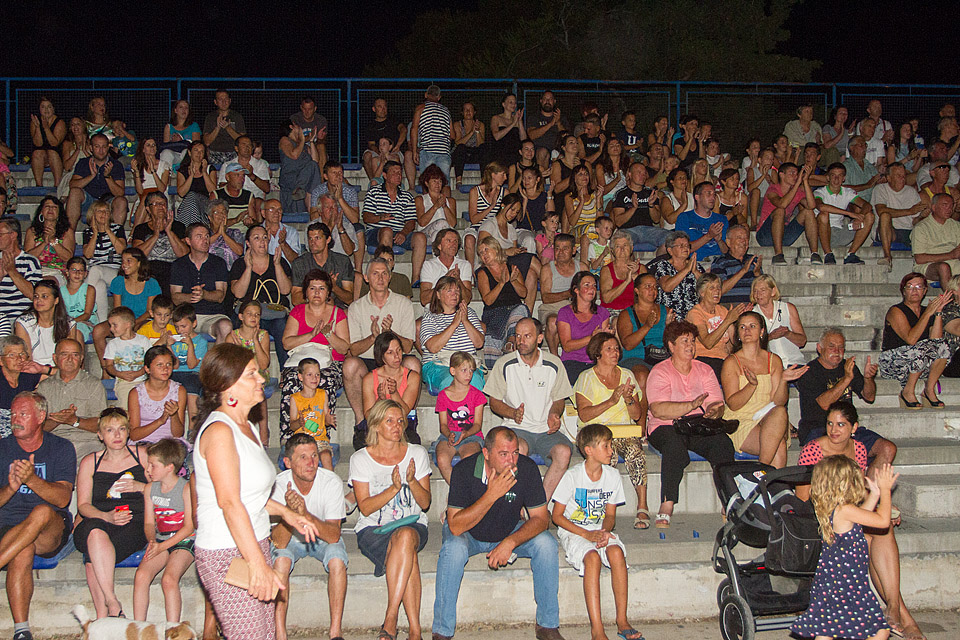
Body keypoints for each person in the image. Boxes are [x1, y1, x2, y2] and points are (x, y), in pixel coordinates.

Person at [193, 343, 318, 640]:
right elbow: (230, 502)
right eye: (251, 374)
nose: (262, 378)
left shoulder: (246, 426)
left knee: (265, 634)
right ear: (228, 386)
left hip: (253, 542)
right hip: (227, 550)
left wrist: (288, 514)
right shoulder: (220, 432)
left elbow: (252, 497)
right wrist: (258, 566)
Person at [796, 402, 921, 640]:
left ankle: (894, 607)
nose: (834, 430)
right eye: (830, 423)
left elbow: (858, 490)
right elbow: (803, 496)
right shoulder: (814, 450)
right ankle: (901, 614)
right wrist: (881, 496)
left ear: (854, 427)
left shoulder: (859, 449)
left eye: (841, 424)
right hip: (823, 517)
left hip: (847, 515)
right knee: (878, 529)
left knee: (882, 531)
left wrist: (879, 500)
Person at [433, 426, 564, 640]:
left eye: (514, 453)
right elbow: (456, 526)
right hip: (470, 532)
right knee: (452, 549)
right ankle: (442, 631)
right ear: (486, 453)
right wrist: (491, 495)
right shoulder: (464, 470)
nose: (511, 461)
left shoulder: (526, 468)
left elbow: (541, 519)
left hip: (507, 530)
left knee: (546, 544)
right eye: (503, 454)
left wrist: (510, 542)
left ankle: (547, 626)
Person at [349, 399, 431, 640]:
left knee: (405, 536)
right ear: (375, 425)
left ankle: (391, 617)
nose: (397, 426)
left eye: (400, 421)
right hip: (373, 529)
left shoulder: (416, 453)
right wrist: (393, 489)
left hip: (412, 524)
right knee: (408, 556)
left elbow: (425, 503)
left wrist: (412, 481)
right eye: (390, 421)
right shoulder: (360, 459)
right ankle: (415, 632)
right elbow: (364, 508)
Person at [790, 454, 896, 640]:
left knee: (829, 629)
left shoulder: (836, 509)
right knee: (879, 630)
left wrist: (875, 494)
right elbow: (882, 521)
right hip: (846, 585)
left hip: (838, 582)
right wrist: (886, 490)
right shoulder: (845, 510)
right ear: (847, 483)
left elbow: (862, 515)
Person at [552, 424, 642, 640]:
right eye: (606, 446)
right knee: (591, 558)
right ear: (589, 450)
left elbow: (610, 515)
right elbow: (557, 516)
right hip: (574, 531)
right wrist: (586, 535)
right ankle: (597, 629)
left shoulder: (612, 475)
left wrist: (604, 531)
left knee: (616, 553)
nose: (611, 451)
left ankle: (622, 620)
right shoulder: (572, 476)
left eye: (611, 445)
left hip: (598, 529)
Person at [645, 321, 735, 528]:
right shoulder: (660, 371)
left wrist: (715, 411)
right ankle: (667, 504)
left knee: (723, 444)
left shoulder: (704, 370)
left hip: (696, 425)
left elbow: (716, 401)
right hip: (664, 425)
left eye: (693, 341)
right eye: (684, 341)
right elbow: (659, 409)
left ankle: (728, 499)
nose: (690, 345)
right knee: (674, 447)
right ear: (671, 346)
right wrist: (692, 405)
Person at [0, 391, 75, 640]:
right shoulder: (2, 449)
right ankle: (22, 631)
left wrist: (31, 479)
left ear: (40, 416)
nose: (15, 419)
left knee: (41, 511)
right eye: (13, 414)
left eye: (23, 413)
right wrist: (11, 488)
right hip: (10, 528)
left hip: (50, 529)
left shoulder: (61, 447)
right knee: (23, 547)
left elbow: (63, 499)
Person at [73, 407, 149, 618]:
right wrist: (106, 516)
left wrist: (140, 486)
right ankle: (112, 602)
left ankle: (102, 618)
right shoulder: (91, 462)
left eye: (121, 429)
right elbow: (83, 506)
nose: (117, 435)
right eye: (110, 430)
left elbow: (164, 489)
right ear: (100, 435)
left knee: (92, 557)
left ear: (128, 431)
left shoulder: (142, 456)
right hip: (98, 520)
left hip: (134, 523)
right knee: (93, 531)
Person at [485, 318, 573, 501]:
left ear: (540, 338)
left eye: (527, 336)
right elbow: (494, 402)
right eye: (517, 336)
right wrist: (512, 413)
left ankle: (540, 502)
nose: (521, 341)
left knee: (564, 452)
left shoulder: (554, 364)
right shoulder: (505, 364)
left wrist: (554, 414)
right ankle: (515, 504)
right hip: (517, 428)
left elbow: (559, 399)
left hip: (546, 429)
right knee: (517, 450)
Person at [270, 433, 347, 640]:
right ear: (288, 463)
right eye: (303, 457)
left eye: (314, 455)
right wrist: (289, 513)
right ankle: (280, 633)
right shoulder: (278, 484)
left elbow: (333, 535)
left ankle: (335, 633)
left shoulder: (330, 481)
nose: (311, 462)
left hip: (322, 537)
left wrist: (305, 514)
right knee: (281, 561)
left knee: (337, 559)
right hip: (291, 540)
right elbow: (278, 541)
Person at [573, 333, 650, 530]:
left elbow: (635, 414)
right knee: (608, 456)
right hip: (596, 433)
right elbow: (584, 415)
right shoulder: (586, 377)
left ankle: (642, 505)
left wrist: (628, 399)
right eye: (609, 349)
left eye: (616, 349)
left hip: (623, 431)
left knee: (636, 453)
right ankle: (605, 511)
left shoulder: (627, 375)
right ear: (597, 353)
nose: (615, 352)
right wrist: (611, 401)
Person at [795, 328, 899, 471]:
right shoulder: (809, 372)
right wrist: (847, 378)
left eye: (841, 347)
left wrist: (868, 379)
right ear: (820, 348)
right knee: (837, 459)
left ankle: (868, 491)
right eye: (831, 346)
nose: (837, 351)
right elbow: (824, 404)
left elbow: (869, 396)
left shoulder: (848, 367)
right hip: (819, 429)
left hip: (847, 428)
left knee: (888, 448)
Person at [721, 312, 806, 467]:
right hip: (741, 419)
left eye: (752, 326)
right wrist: (751, 385)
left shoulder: (774, 360)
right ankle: (766, 481)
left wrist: (783, 381)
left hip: (769, 419)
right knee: (778, 444)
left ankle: (761, 477)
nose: (747, 330)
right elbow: (733, 404)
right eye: (742, 327)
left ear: (761, 332)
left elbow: (778, 401)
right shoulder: (731, 362)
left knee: (780, 411)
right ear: (738, 334)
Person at [280, 270, 350, 447]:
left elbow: (344, 348)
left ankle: (320, 435)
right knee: (291, 382)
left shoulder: (337, 313)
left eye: (321, 288)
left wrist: (328, 335)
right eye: (312, 288)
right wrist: (311, 335)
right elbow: (287, 343)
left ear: (328, 292)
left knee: (323, 382)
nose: (317, 292)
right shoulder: (298, 311)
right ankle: (290, 436)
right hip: (301, 363)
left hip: (328, 364)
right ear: (306, 292)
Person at [132, 439, 195, 624]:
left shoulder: (185, 488)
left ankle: (173, 629)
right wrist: (152, 542)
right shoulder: (151, 489)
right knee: (142, 575)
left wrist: (162, 547)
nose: (148, 470)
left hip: (184, 540)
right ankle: (138, 627)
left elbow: (189, 527)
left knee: (169, 579)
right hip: (161, 539)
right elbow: (149, 523)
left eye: (153, 465)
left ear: (169, 467)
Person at [879, 272, 952, 409]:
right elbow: (911, 339)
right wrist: (928, 313)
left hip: (919, 363)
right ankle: (907, 391)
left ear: (924, 291)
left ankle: (929, 391)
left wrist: (937, 313)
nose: (914, 290)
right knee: (919, 348)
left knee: (943, 345)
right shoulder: (896, 311)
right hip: (894, 362)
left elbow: (936, 341)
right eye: (910, 286)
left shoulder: (927, 311)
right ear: (904, 291)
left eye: (919, 286)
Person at [230, 224, 293, 366]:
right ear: (248, 243)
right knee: (235, 324)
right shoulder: (240, 264)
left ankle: (286, 371)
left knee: (282, 326)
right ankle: (237, 370)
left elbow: (285, 290)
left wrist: (277, 266)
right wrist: (248, 268)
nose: (262, 241)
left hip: (274, 313)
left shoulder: (279, 261)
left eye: (265, 238)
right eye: (256, 238)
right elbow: (238, 293)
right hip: (248, 314)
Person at [38, 338, 108, 460]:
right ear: (55, 358)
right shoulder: (44, 387)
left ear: (81, 359)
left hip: (86, 442)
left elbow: (101, 425)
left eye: (75, 355)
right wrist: (58, 420)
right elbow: (37, 428)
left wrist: (74, 420)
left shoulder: (94, 384)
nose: (70, 359)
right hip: (54, 442)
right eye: (64, 354)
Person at [362, 161, 426, 284]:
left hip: (398, 233)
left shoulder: (407, 196)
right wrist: (380, 218)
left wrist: (404, 232)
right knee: (387, 231)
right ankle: (384, 275)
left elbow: (411, 222)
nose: (398, 175)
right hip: (376, 233)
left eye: (399, 173)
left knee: (420, 237)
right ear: (385, 175)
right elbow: (366, 217)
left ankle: (416, 279)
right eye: (394, 172)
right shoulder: (373, 192)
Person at [419, 276, 485, 394]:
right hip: (439, 364)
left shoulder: (469, 313)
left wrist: (465, 321)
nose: (454, 294)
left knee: (474, 380)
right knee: (452, 380)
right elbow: (433, 347)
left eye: (457, 291)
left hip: (467, 364)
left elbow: (479, 343)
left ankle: (468, 412)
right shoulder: (430, 316)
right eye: (449, 291)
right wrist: (454, 324)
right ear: (438, 295)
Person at [169, 223, 233, 344]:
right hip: (184, 316)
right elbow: (176, 298)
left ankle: (216, 363)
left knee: (225, 326)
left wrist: (204, 294)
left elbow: (220, 296)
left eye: (207, 236)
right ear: (188, 240)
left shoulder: (218, 263)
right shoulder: (179, 265)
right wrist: (192, 296)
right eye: (199, 236)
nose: (205, 240)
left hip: (212, 316)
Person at [475, 236, 530, 369]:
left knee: (522, 309)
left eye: (486, 250)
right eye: (481, 252)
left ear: (496, 249)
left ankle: (511, 341)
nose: (484, 254)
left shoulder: (512, 268)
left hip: (514, 310)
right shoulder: (482, 273)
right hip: (495, 313)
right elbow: (488, 301)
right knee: (491, 336)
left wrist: (513, 281)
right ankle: (498, 372)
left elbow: (523, 293)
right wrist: (501, 283)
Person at [479, 192, 541, 310]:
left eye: (517, 212)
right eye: (512, 209)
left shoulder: (511, 228)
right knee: (530, 258)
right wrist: (507, 252)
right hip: (496, 264)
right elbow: (482, 250)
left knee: (532, 275)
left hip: (509, 263)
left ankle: (528, 313)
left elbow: (513, 251)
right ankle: (549, 282)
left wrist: (517, 251)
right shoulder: (489, 225)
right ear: (503, 206)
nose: (513, 214)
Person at [433, 351, 486, 484]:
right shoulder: (444, 395)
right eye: (464, 370)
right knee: (442, 459)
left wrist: (466, 433)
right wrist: (448, 434)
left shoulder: (477, 395)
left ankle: (464, 494)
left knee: (470, 458)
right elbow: (443, 424)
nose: (468, 374)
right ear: (452, 371)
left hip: (471, 435)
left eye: (471, 370)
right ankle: (458, 493)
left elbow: (477, 424)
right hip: (449, 435)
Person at [361, 331, 423, 442]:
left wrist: (394, 393)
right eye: (390, 352)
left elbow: (405, 412)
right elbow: (368, 416)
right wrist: (381, 399)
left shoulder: (412, 376)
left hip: (403, 425)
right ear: (381, 356)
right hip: (378, 425)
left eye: (399, 350)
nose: (396, 356)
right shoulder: (369, 379)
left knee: (412, 442)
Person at [686, 273, 749, 381]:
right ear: (702, 293)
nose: (717, 291)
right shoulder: (695, 313)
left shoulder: (723, 311)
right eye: (712, 288)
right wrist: (728, 320)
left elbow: (733, 342)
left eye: (719, 288)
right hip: (703, 359)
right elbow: (708, 343)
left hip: (724, 359)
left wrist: (741, 321)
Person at [756, 163, 818, 265]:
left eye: (797, 174)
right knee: (780, 210)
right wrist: (798, 184)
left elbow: (811, 206)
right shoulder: (773, 189)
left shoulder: (797, 191)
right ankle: (778, 255)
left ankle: (815, 253)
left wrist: (805, 181)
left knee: (808, 212)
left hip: (784, 235)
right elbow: (782, 204)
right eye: (792, 173)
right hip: (765, 235)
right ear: (781, 175)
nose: (795, 176)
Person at [814, 162, 874, 265]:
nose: (836, 179)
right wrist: (850, 214)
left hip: (841, 231)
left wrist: (859, 217)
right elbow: (821, 207)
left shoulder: (847, 192)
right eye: (833, 175)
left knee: (870, 216)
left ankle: (851, 254)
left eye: (840, 175)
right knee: (823, 215)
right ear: (828, 178)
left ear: (844, 178)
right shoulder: (819, 192)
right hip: (822, 234)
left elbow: (867, 205)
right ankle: (828, 254)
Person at [131, 191, 189, 295]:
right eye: (156, 204)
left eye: (163, 204)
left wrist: (169, 232)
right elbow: (137, 255)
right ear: (148, 209)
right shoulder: (141, 229)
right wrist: (155, 236)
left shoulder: (178, 226)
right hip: (149, 268)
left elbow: (184, 254)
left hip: (172, 268)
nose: (160, 206)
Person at [558, 271, 611, 384]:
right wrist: (591, 337)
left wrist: (607, 337)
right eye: (587, 285)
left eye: (594, 286)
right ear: (576, 290)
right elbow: (567, 346)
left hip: (596, 362)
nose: (592, 289)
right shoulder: (565, 312)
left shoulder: (602, 312)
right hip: (573, 361)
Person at [15, 279, 82, 367]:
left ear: (56, 300)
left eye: (44, 296)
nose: (39, 300)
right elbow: (26, 360)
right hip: (34, 372)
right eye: (36, 296)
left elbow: (69, 362)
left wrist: (51, 372)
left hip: (60, 371)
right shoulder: (23, 323)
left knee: (79, 335)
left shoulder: (69, 323)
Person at [127, 345, 186, 445]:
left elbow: (178, 434)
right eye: (159, 365)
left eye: (169, 364)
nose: (165, 369)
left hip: (169, 444)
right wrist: (160, 421)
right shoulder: (136, 393)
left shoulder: (179, 391)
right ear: (147, 369)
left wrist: (174, 415)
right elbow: (134, 435)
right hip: (143, 443)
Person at [66, 133, 127, 227]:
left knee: (121, 201)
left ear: (108, 148)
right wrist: (91, 176)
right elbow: (72, 185)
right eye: (97, 146)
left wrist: (108, 177)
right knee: (74, 192)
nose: (101, 150)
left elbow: (120, 193)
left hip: (108, 203)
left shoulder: (116, 165)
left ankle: (116, 238)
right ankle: (69, 232)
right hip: (88, 203)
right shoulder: (83, 163)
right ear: (91, 148)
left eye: (104, 147)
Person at [540, 234, 586, 355]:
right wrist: (568, 293)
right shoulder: (547, 269)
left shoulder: (581, 267)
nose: (560, 252)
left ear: (573, 250)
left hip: (575, 307)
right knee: (553, 321)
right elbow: (545, 297)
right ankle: (555, 359)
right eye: (557, 248)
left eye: (565, 248)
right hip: (553, 307)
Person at [287, 358, 336, 471]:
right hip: (301, 441)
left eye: (317, 375)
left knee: (325, 456)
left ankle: (331, 484)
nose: (314, 378)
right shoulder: (295, 398)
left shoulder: (323, 394)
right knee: (302, 459)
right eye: (309, 375)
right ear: (300, 377)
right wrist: (299, 422)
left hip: (320, 440)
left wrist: (328, 420)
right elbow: (292, 425)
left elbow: (325, 420)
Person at [871, 162, 924, 266]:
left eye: (904, 176)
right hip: (889, 230)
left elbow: (915, 219)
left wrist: (923, 216)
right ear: (889, 178)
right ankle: (887, 257)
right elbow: (881, 210)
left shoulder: (911, 191)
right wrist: (909, 211)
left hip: (908, 231)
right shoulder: (880, 189)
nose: (902, 178)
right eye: (898, 176)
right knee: (885, 216)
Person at [291, 221, 354, 307]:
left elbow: (350, 299)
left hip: (336, 308)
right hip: (309, 308)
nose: (313, 242)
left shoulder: (342, 261)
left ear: (328, 239)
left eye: (317, 238)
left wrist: (334, 287)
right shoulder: (300, 263)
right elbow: (295, 299)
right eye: (310, 238)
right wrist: (317, 297)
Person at [610, 161, 670, 251]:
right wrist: (633, 208)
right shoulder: (621, 194)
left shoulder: (651, 193)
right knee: (621, 242)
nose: (642, 175)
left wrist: (651, 206)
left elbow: (656, 219)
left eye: (644, 173)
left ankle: (660, 263)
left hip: (649, 230)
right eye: (639, 172)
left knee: (672, 240)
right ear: (630, 174)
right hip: (628, 230)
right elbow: (618, 222)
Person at [82, 199, 126, 321]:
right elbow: (88, 254)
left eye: (106, 211)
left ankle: (83, 305)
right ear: (93, 214)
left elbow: (121, 250)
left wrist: (108, 231)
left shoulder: (117, 228)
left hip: (115, 272)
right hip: (96, 273)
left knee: (95, 270)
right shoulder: (88, 232)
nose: (103, 214)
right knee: (99, 286)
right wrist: (95, 233)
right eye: (99, 211)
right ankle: (102, 322)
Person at [750, 275, 807, 367]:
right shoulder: (752, 314)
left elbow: (802, 341)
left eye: (762, 290)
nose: (758, 294)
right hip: (771, 366)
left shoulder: (787, 308)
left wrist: (787, 334)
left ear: (773, 291)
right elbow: (750, 345)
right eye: (755, 291)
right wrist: (770, 336)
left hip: (795, 363)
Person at [102, 307, 153, 411]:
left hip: (143, 380)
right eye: (110, 325)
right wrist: (120, 374)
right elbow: (109, 366)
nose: (111, 329)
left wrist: (138, 373)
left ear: (128, 324)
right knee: (126, 406)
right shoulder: (113, 344)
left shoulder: (143, 340)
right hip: (124, 382)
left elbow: (150, 362)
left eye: (114, 325)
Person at [0, 217, 42, 337]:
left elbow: (33, 294)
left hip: (22, 318)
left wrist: (12, 271)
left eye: (0, 234)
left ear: (13, 235)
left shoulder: (30, 261)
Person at [649, 231, 704, 321]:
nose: (685, 248)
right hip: (670, 316)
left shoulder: (695, 266)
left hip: (694, 316)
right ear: (670, 250)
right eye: (681, 246)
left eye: (687, 245)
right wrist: (686, 270)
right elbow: (667, 287)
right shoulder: (663, 265)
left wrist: (695, 271)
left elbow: (708, 287)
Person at [911, 193, 960, 289]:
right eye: (945, 205)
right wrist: (950, 255)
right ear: (933, 207)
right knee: (943, 267)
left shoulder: (956, 226)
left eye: (951, 206)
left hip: (954, 262)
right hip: (929, 265)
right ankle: (951, 301)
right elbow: (919, 258)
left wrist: (953, 255)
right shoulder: (921, 228)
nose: (949, 209)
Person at [0, 337, 45, 439]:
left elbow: (65, 375)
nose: (19, 359)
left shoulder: (27, 375)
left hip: (23, 431)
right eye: (12, 355)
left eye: (22, 354)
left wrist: (43, 369)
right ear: (1, 360)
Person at [23, 195, 74, 286]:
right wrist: (45, 242)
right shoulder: (32, 231)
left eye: (54, 207)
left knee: (47, 283)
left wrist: (53, 240)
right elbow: (27, 257)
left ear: (59, 212)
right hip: (36, 270)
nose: (50, 209)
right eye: (47, 206)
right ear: (41, 211)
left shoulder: (67, 231)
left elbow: (68, 257)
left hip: (57, 272)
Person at [465, 162, 508, 267]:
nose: (505, 177)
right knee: (469, 239)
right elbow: (473, 219)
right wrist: (491, 207)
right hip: (477, 227)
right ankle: (470, 273)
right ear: (493, 175)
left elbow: (505, 216)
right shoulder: (475, 191)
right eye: (503, 174)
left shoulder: (504, 192)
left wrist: (502, 208)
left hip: (494, 227)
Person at [675, 181, 728, 261]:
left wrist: (719, 240)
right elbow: (682, 249)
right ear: (697, 197)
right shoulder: (685, 218)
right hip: (696, 262)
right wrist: (709, 236)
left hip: (718, 263)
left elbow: (726, 251)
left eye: (714, 194)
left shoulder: (721, 219)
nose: (713, 197)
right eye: (708, 193)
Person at [419, 227, 473, 306]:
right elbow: (424, 299)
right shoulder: (429, 265)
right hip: (435, 311)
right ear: (439, 246)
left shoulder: (464, 265)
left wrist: (458, 280)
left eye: (456, 241)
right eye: (449, 241)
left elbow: (467, 299)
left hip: (457, 311)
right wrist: (444, 281)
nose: (453, 244)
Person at [278, 119, 323, 215]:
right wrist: (302, 140)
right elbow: (294, 155)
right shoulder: (285, 140)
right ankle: (300, 189)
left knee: (313, 166)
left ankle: (312, 210)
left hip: (302, 185)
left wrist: (311, 141)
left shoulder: (303, 146)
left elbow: (315, 160)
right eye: (297, 125)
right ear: (291, 127)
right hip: (291, 179)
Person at [709, 224, 762, 304]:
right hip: (729, 308)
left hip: (752, 309)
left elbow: (763, 289)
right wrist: (743, 271)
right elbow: (719, 291)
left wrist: (758, 274)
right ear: (728, 242)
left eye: (746, 238)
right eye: (739, 237)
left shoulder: (753, 260)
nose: (744, 241)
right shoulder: (720, 262)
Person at [599, 231, 645, 314]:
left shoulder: (641, 269)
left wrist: (637, 279)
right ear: (612, 250)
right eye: (617, 246)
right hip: (611, 311)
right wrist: (627, 281)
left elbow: (647, 297)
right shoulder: (606, 270)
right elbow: (606, 299)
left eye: (625, 245)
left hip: (634, 312)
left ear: (631, 248)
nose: (622, 249)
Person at [174, 141, 218, 227]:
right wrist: (191, 176)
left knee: (192, 196)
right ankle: (194, 228)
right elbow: (181, 193)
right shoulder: (183, 170)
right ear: (190, 153)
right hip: (189, 207)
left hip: (205, 205)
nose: (199, 153)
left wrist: (204, 172)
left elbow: (213, 191)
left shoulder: (210, 169)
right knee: (191, 197)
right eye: (196, 150)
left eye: (202, 151)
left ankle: (185, 228)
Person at [361, 99, 406, 182]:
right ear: (374, 109)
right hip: (378, 151)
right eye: (380, 106)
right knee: (367, 155)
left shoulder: (393, 120)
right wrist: (380, 152)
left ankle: (398, 183)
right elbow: (371, 144)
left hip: (393, 150)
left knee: (396, 157)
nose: (383, 109)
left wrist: (398, 145)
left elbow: (403, 130)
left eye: (385, 106)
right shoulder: (370, 125)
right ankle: (373, 182)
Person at [415, 164, 458, 246]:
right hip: (426, 235)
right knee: (442, 223)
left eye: (440, 181)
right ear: (427, 183)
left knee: (439, 234)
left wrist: (445, 206)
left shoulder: (451, 201)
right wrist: (435, 206)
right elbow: (422, 222)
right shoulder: (420, 199)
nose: (437, 184)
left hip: (444, 236)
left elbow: (453, 224)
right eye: (434, 181)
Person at [29, 97, 67, 188]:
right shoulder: (35, 121)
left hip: (56, 155)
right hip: (42, 156)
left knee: (51, 152)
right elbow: (37, 144)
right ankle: (39, 184)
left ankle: (57, 185)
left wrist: (46, 128)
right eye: (43, 107)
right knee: (37, 152)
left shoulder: (60, 122)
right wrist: (38, 127)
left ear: (53, 109)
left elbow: (54, 143)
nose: (46, 110)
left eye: (49, 107)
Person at [527, 90, 569, 170]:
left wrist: (558, 122)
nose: (547, 101)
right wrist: (551, 124)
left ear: (554, 101)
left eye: (550, 99)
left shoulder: (561, 118)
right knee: (543, 152)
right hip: (540, 150)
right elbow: (532, 135)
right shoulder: (534, 117)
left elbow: (566, 137)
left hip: (558, 149)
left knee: (561, 155)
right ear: (541, 101)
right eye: (545, 99)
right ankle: (543, 180)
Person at [202, 89, 246, 165]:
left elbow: (243, 141)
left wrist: (228, 128)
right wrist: (218, 127)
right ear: (215, 102)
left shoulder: (237, 116)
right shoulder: (210, 117)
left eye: (226, 99)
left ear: (230, 100)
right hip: (214, 154)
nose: (224, 102)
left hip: (233, 154)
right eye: (220, 99)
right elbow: (207, 142)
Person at [451, 102, 486, 187]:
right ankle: (459, 180)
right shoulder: (457, 125)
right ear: (462, 112)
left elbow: (480, 143)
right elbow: (458, 142)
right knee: (461, 148)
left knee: (484, 148)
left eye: (470, 109)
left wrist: (477, 131)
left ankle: (484, 180)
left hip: (474, 152)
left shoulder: (480, 124)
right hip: (462, 153)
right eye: (465, 110)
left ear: (474, 112)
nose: (468, 112)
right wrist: (471, 132)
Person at [489, 92, 526, 171]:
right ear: (503, 104)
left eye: (515, 103)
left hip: (514, 153)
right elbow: (496, 136)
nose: (513, 105)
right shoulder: (496, 118)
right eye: (510, 102)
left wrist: (519, 121)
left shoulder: (516, 118)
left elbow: (524, 139)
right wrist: (513, 124)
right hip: (500, 152)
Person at [159, 99, 202, 167]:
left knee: (186, 152)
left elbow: (196, 146)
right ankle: (166, 174)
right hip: (173, 154)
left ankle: (184, 173)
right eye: (181, 107)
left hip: (186, 154)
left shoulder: (194, 126)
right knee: (166, 153)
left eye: (186, 108)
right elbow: (165, 146)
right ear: (175, 110)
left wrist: (181, 140)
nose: (184, 110)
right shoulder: (169, 127)